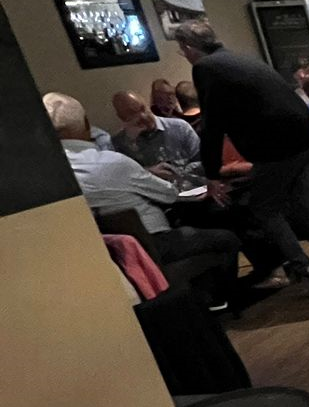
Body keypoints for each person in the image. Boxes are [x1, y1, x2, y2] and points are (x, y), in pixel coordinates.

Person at [171, 19, 309, 297]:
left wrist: (212, 174)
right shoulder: (241, 58)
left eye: (182, 50)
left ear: (188, 47)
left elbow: (213, 124)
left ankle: (303, 267)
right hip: (307, 137)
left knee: (263, 209)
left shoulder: (206, 68)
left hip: (277, 147)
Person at [46, 92, 240, 309]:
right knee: (226, 238)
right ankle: (220, 301)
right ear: (86, 124)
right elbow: (168, 194)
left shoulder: (51, 175)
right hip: (153, 243)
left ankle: (201, 300)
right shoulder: (111, 161)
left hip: (106, 255)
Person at [110, 89, 203, 190]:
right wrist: (148, 172)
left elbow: (204, 162)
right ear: (122, 118)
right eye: (133, 114)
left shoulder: (179, 127)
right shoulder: (119, 143)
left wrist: (181, 173)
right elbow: (121, 180)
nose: (143, 116)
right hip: (156, 196)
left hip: (193, 190)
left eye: (142, 109)